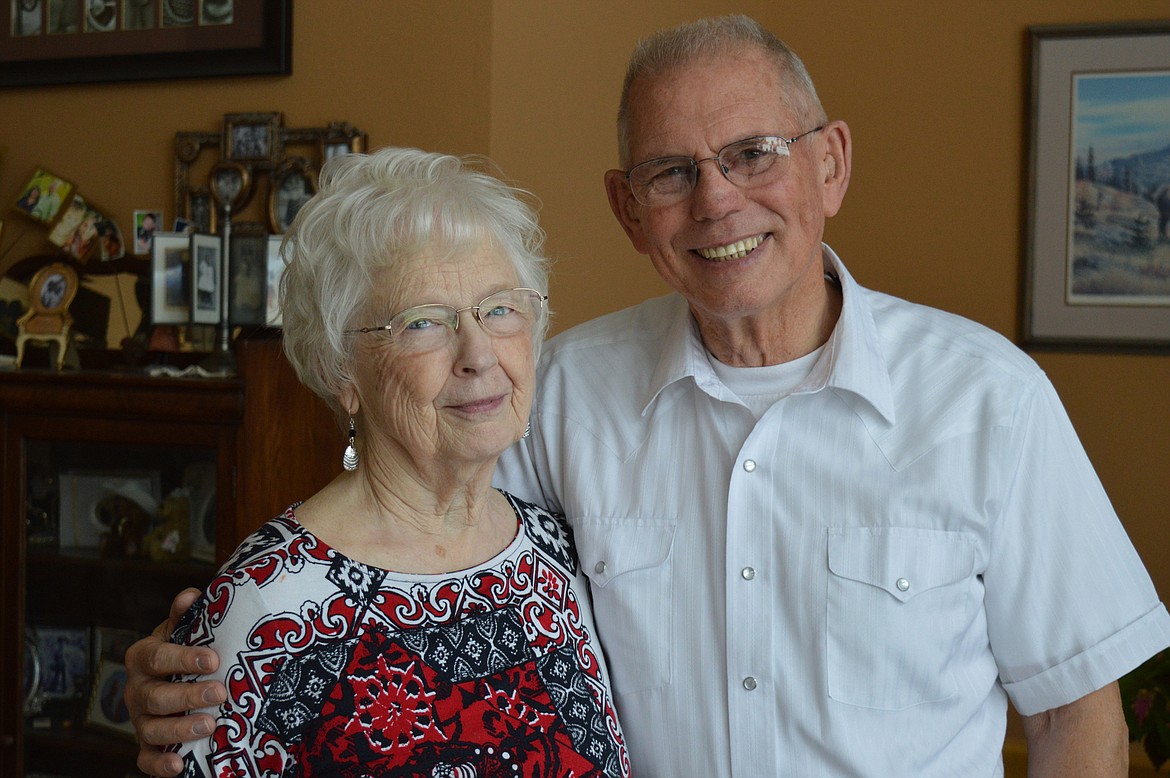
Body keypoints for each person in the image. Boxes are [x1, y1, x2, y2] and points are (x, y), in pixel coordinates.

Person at [126, 15, 1170, 777]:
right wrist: (202, 654)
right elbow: (415, 542)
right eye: (671, 172)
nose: (718, 201)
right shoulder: (563, 390)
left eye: (754, 153)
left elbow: (1081, 714)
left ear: (831, 165)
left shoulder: (988, 401)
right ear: (628, 209)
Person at [136, 146, 627, 777]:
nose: (479, 353)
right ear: (342, 372)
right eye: (424, 322)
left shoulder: (558, 554)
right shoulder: (265, 609)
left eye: (501, 308)